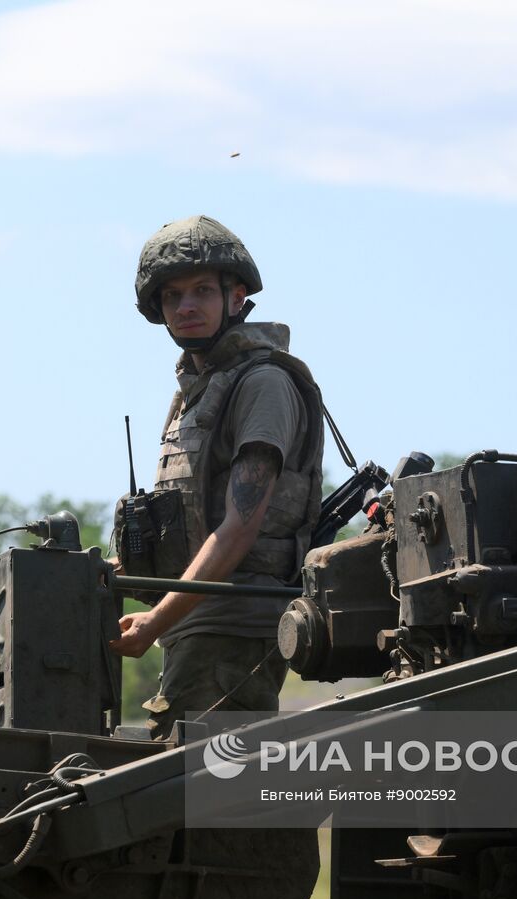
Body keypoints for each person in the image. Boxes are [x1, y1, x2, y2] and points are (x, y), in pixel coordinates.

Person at [108, 215, 324, 740]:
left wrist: (155, 621)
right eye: (173, 296)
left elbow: (239, 529)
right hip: (198, 624)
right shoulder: (198, 390)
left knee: (207, 803)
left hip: (235, 627)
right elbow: (188, 524)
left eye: (202, 290)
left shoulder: (262, 383)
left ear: (237, 296)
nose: (186, 307)